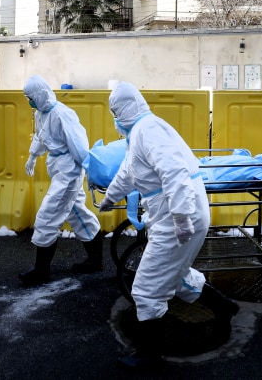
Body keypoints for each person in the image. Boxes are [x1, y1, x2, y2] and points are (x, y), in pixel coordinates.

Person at [97, 81, 238, 370]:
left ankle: (149, 354)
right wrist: (110, 197)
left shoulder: (148, 130)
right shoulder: (139, 132)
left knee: (147, 288)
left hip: (177, 216)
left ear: (124, 109)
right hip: (173, 214)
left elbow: (174, 171)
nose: (113, 118)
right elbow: (128, 170)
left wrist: (181, 216)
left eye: (114, 111)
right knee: (178, 276)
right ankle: (225, 307)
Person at [20, 74, 104, 286]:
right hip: (58, 167)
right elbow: (40, 136)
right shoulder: (41, 113)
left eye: (30, 95)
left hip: (69, 171)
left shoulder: (62, 114)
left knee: (48, 215)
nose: (28, 100)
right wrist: (32, 156)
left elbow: (79, 146)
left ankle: (41, 270)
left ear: (40, 94)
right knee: (77, 213)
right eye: (26, 96)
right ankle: (95, 260)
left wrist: (89, 170)